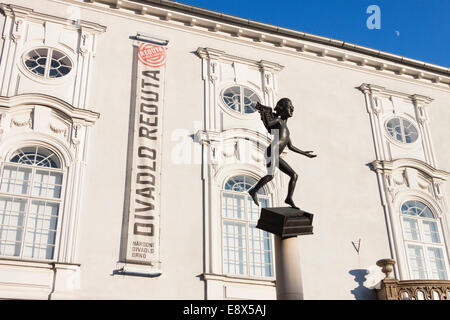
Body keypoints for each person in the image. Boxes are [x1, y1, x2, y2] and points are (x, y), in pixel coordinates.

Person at [248, 98, 316, 209]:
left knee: (294, 175)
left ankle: (288, 198)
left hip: (275, 154)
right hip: (272, 151)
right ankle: (253, 191)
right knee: (270, 175)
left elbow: (290, 146)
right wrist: (267, 111)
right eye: (290, 107)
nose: (292, 109)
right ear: (283, 109)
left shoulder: (286, 129)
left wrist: (304, 153)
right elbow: (269, 124)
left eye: (292, 107)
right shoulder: (278, 121)